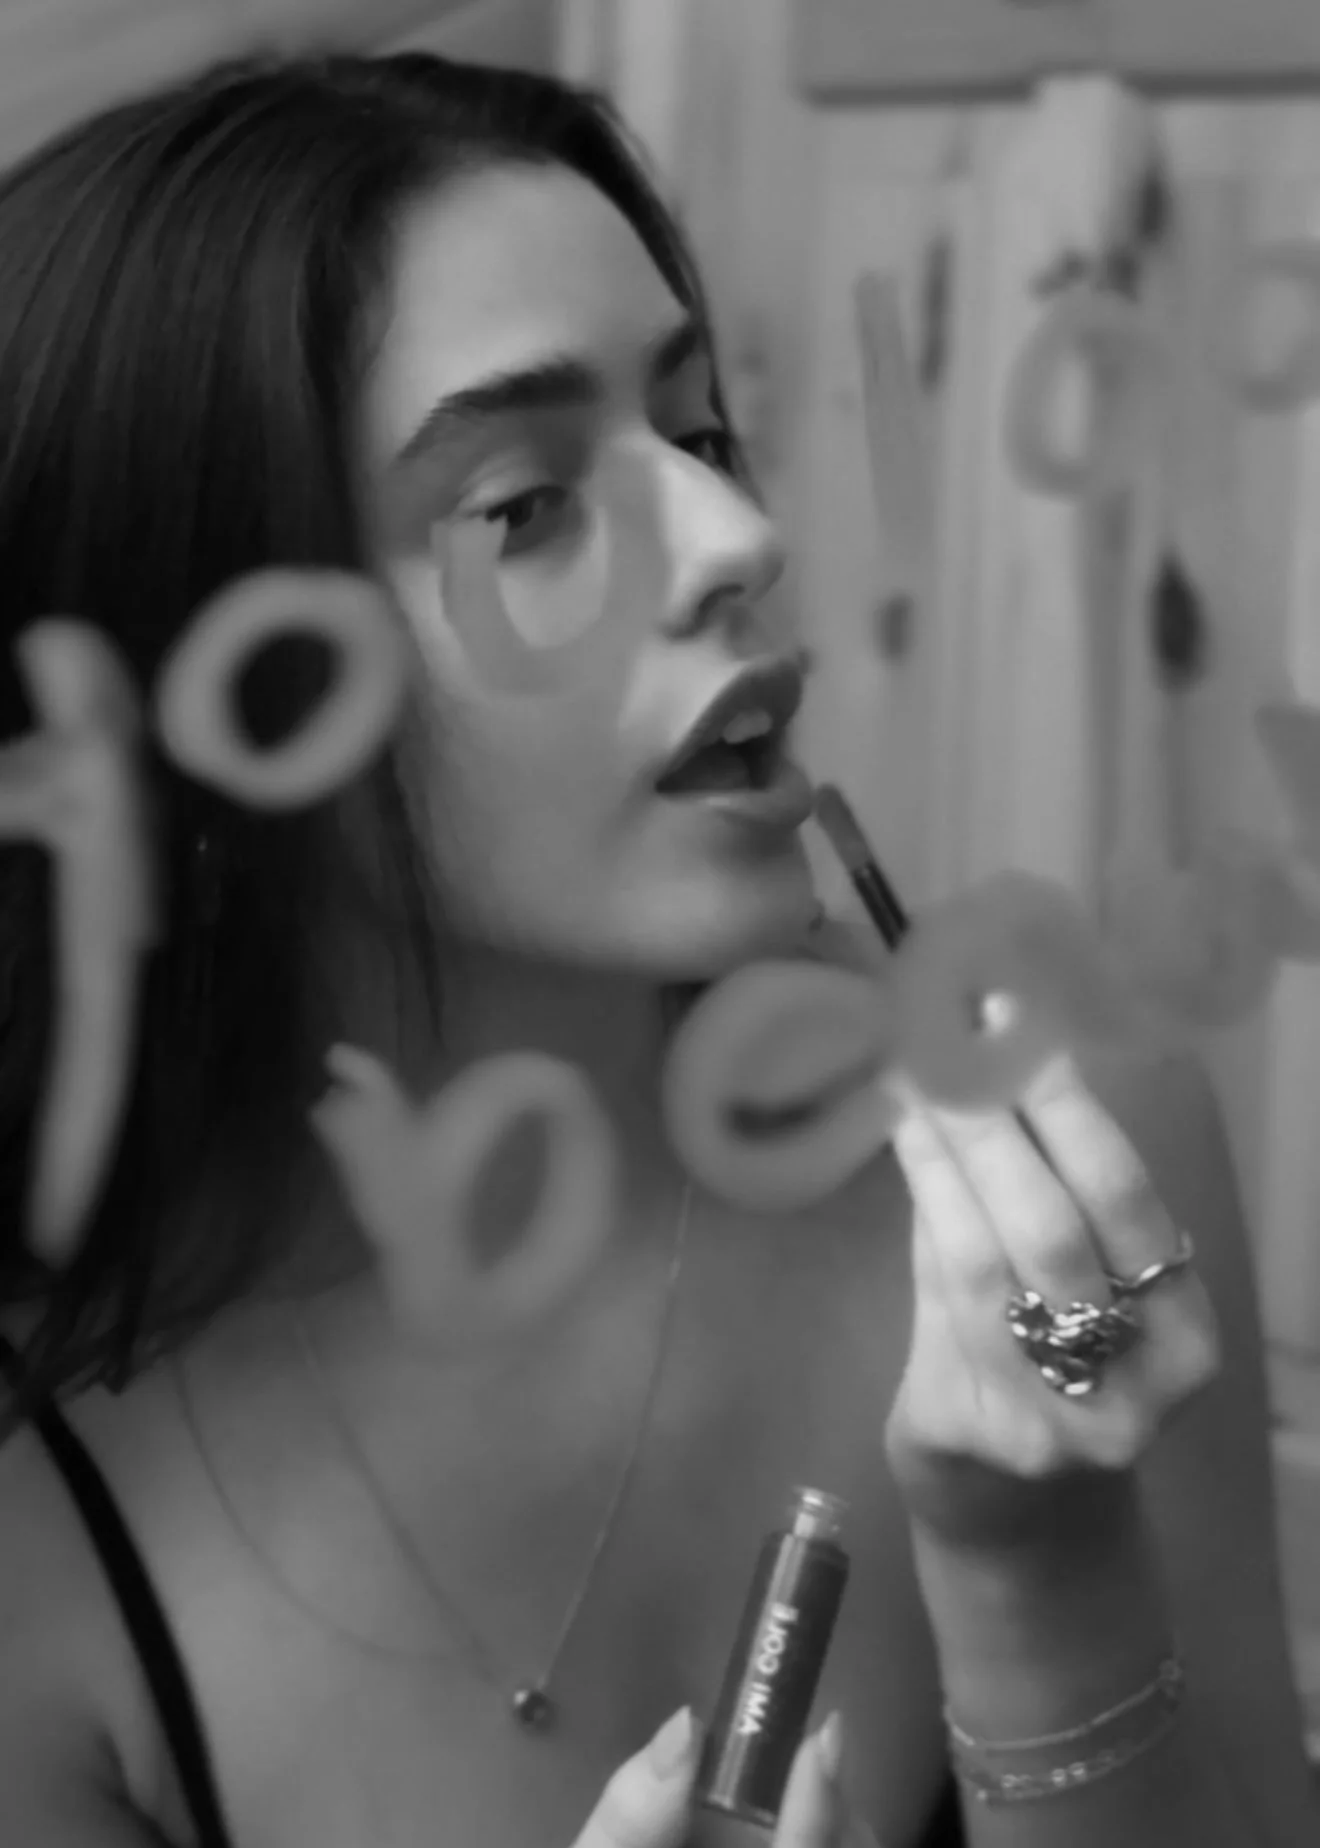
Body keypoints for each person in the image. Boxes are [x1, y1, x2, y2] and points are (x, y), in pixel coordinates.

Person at [0, 48, 1313, 1848]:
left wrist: (1039, 1573)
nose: (738, 539)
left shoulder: (1084, 1177)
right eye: (527, 504)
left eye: (696, 438)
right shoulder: (40, 1539)